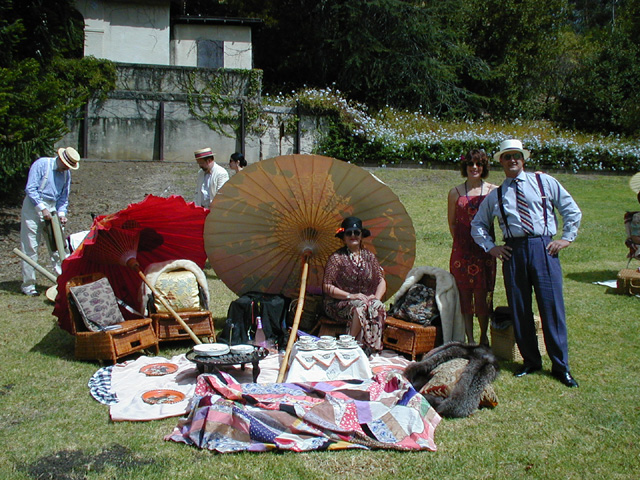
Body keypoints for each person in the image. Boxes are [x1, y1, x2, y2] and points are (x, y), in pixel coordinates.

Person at [470, 139, 582, 387]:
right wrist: (492, 247)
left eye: (516, 156)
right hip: (513, 252)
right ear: (500, 161)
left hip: (544, 249)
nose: (512, 160)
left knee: (551, 308)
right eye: (507, 156)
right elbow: (477, 225)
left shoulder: (544, 182)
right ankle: (531, 360)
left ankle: (560, 366)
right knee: (520, 308)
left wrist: (566, 238)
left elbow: (571, 210)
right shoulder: (497, 194)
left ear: (524, 159)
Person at [447, 149, 498, 346]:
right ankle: (469, 339)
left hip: (485, 250)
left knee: (483, 293)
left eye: (478, 164)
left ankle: (484, 337)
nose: (474, 168)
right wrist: (461, 244)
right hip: (462, 251)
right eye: (470, 164)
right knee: (464, 295)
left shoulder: (493, 190)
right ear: (465, 167)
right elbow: (452, 222)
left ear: (484, 167)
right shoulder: (455, 192)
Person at [20, 147, 80, 296]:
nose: (66, 168)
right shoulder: (41, 164)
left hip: (52, 207)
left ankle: (64, 283)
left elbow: (63, 198)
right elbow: (31, 188)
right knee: (30, 246)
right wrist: (42, 208)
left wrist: (61, 214)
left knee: (58, 247)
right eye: (66, 164)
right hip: (34, 206)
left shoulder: (66, 174)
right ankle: (28, 285)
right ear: (60, 158)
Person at [322, 216, 387, 355]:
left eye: (356, 233)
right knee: (361, 307)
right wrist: (351, 296)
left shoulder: (369, 257)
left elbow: (381, 280)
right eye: (349, 233)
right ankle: (350, 344)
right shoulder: (337, 258)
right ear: (343, 237)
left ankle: (371, 347)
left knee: (376, 307)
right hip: (339, 303)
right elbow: (327, 286)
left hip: (365, 300)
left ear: (361, 236)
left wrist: (376, 298)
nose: (353, 236)